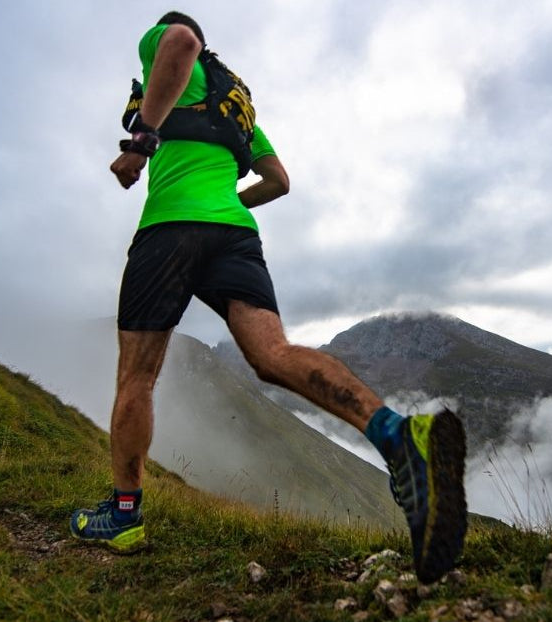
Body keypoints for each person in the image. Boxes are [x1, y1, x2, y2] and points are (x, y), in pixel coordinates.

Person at [70, 11, 468, 583]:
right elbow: (278, 179)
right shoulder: (238, 105)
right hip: (235, 235)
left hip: (169, 229)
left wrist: (142, 142)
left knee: (137, 376)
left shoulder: (168, 41)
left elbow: (181, 41)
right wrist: (227, 211)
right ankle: (398, 434)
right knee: (273, 354)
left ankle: (122, 516)